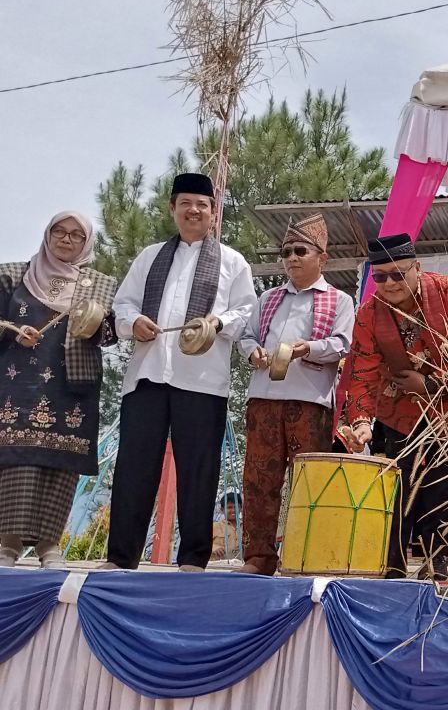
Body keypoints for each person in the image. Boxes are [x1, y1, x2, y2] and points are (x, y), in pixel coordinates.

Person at [104, 173, 256, 572]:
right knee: (134, 466)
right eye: (185, 202)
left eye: (202, 204)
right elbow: (123, 305)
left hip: (202, 380)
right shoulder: (150, 256)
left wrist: (217, 324)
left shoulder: (232, 261)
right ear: (172, 208)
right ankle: (121, 558)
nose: (194, 210)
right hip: (147, 374)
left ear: (212, 212)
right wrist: (134, 322)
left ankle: (192, 559)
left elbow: (245, 311)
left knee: (199, 467)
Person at [343, 232, 448, 580]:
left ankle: (436, 565)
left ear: (417, 267)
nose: (389, 283)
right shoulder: (369, 314)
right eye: (380, 276)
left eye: (398, 274)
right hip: (397, 413)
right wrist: (360, 421)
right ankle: (394, 567)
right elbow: (362, 372)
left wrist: (431, 384)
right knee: (396, 491)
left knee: (443, 487)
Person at [237, 214, 354, 575]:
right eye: (286, 251)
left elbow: (342, 343)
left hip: (311, 402)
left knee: (308, 482)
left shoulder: (339, 300)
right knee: (259, 481)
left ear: (323, 257)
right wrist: (252, 352)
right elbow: (246, 337)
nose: (291, 258)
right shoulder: (268, 297)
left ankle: (307, 556)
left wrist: (309, 348)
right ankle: (258, 558)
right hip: (263, 399)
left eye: (300, 250)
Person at [0, 212, 117, 568]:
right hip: (16, 384)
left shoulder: (99, 284)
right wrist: (12, 328)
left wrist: (93, 325)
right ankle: (7, 545)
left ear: (87, 244)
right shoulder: (12, 274)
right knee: (17, 461)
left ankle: (50, 546)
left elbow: (111, 335)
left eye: (76, 236)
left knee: (60, 464)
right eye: (59, 232)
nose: (66, 240)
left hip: (71, 386)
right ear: (47, 234)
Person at [212, 491, 241, 561]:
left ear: (241, 508)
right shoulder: (214, 527)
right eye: (229, 507)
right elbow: (199, 545)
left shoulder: (247, 527)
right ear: (222, 509)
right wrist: (213, 547)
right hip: (217, 568)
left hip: (242, 568)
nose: (233, 510)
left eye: (236, 507)